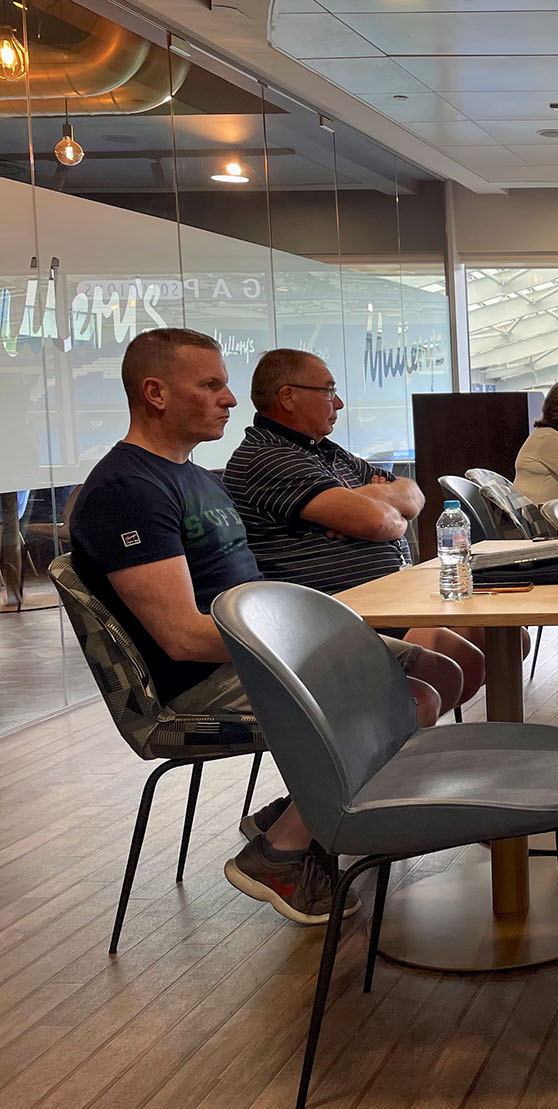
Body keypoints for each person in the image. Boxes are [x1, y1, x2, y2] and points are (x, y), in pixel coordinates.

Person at [67, 328, 385, 926]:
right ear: (156, 393)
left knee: (438, 669)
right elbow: (184, 637)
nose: (231, 400)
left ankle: (300, 816)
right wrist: (318, 633)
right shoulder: (128, 490)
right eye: (211, 385)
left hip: (262, 658)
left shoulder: (198, 476)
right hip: (201, 684)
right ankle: (280, 852)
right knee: (402, 692)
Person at [223, 348, 487, 710]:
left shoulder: (326, 452)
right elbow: (378, 521)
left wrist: (360, 498)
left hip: (389, 603)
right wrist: (373, 507)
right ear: (288, 396)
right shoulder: (267, 456)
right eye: (329, 390)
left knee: (503, 639)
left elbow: (412, 496)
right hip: (334, 617)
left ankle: (419, 749)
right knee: (456, 665)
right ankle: (402, 754)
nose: (340, 403)